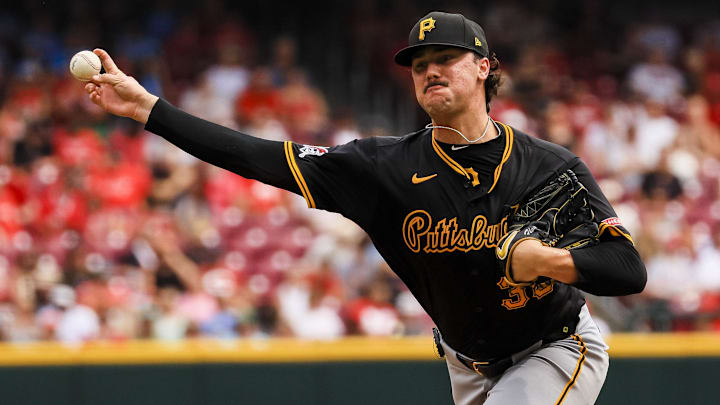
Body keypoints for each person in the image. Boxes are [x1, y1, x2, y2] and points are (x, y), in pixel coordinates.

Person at [84, 11, 646, 405]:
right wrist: (150, 110)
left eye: (446, 57)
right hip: (465, 364)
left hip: (554, 344)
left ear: (484, 67)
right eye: (419, 63)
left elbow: (628, 269)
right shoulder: (382, 169)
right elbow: (258, 157)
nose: (429, 71)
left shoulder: (549, 165)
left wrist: (548, 261)